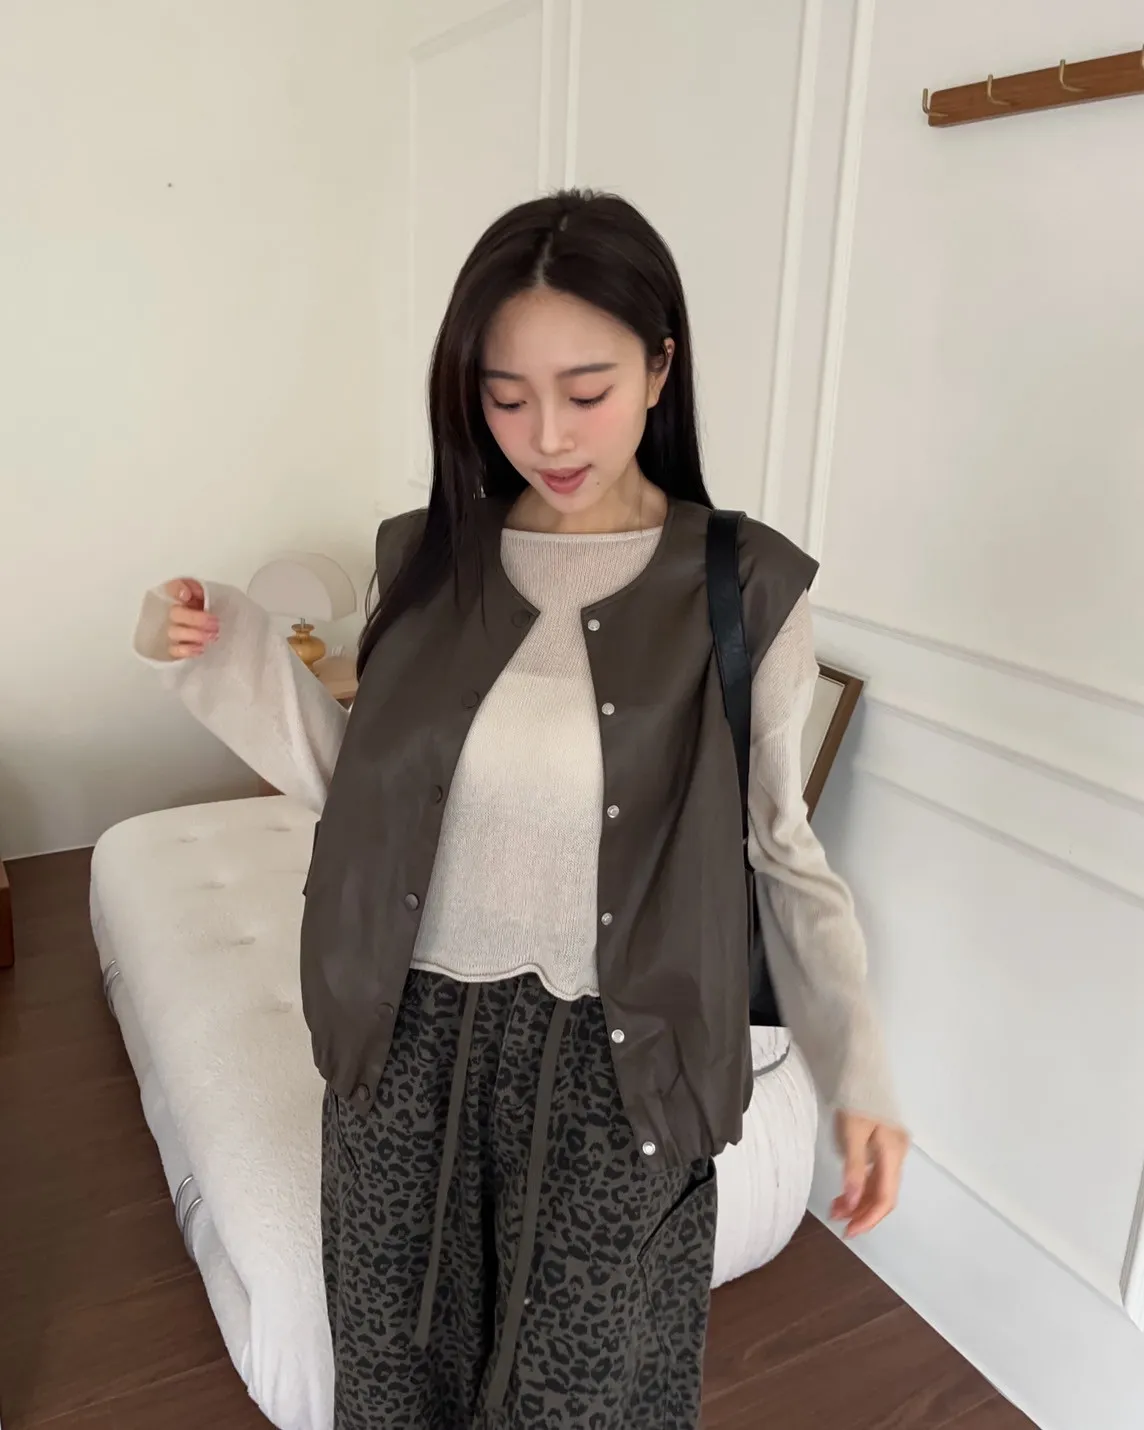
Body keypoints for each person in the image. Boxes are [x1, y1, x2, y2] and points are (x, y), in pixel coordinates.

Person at [136, 189, 908, 1430]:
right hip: (402, 1040)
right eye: (503, 396)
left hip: (619, 1068)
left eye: (585, 389)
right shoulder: (423, 554)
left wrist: (857, 1068)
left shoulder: (744, 583)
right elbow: (364, 786)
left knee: (578, 1396)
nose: (544, 433)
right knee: (395, 1385)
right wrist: (217, 643)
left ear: (660, 368)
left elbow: (781, 847)